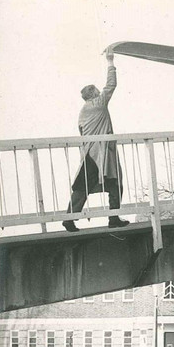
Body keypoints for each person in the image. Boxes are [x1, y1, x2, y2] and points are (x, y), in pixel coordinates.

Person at [64, 49, 129, 232]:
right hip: (102, 154)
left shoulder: (83, 112)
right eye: (97, 91)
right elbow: (111, 85)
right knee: (115, 183)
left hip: (90, 153)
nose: (100, 92)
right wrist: (110, 61)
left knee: (83, 186)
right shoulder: (98, 104)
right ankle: (113, 218)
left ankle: (70, 218)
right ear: (93, 94)